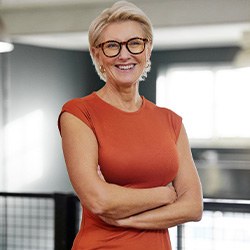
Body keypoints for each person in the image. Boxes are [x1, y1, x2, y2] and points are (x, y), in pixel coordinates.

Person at [58, 1, 203, 249]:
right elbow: (99, 200)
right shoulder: (79, 113)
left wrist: (126, 218)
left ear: (148, 49)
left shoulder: (171, 121)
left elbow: (193, 206)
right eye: (112, 46)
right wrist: (165, 194)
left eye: (134, 43)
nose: (124, 55)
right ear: (97, 54)